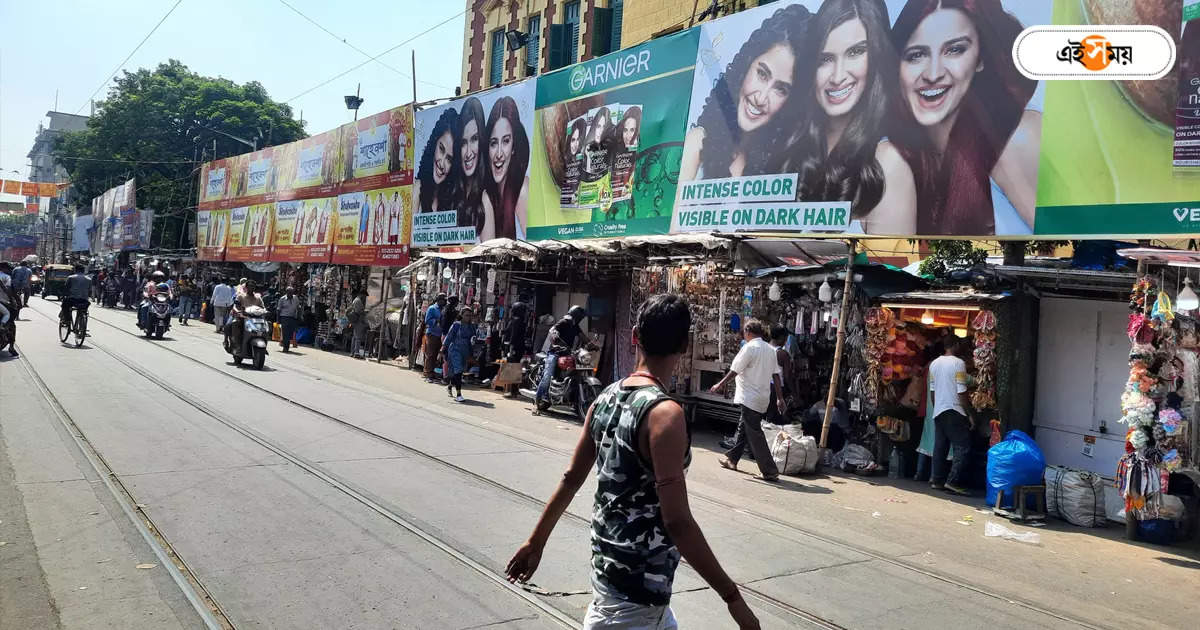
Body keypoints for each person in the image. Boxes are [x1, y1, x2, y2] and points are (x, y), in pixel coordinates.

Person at [506, 295, 760, 630]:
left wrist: (535, 542)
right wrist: (733, 598)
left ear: (634, 335)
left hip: (617, 586)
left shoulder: (604, 399)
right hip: (634, 602)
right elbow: (678, 522)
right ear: (685, 344)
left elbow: (571, 479)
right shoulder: (665, 415)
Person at [890, 0, 1039, 235]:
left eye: (954, 50)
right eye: (916, 55)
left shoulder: (1016, 137)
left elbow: (1080, 244)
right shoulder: (897, 157)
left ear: (981, 58)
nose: (933, 74)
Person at [782, 0, 917, 234]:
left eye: (855, 52)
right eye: (825, 59)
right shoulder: (792, 145)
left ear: (877, 56)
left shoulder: (887, 163)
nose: (837, 76)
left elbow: (888, 265)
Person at [680, 4, 813, 182]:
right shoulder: (698, 144)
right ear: (746, 65)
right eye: (762, 74)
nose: (761, 98)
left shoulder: (783, 165)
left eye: (780, 89)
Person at [710, 319, 785, 482]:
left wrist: (719, 384)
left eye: (744, 332)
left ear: (748, 332)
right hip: (762, 397)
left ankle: (770, 471)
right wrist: (780, 398)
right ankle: (732, 459)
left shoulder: (749, 348)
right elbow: (776, 376)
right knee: (744, 427)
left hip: (749, 396)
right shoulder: (770, 350)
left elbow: (734, 370)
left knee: (755, 433)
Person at [482, 96, 531, 240]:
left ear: (514, 146)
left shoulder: (522, 189)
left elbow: (540, 247)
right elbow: (487, 256)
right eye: (493, 143)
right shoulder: (487, 197)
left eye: (506, 141)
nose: (498, 154)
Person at [928, 335, 972, 495]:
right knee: (963, 447)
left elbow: (932, 391)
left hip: (939, 410)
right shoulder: (958, 363)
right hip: (954, 409)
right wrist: (968, 414)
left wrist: (937, 407)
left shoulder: (934, 364)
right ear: (955, 345)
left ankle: (937, 480)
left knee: (940, 446)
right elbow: (961, 391)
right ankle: (953, 481)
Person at [535, 305, 593, 407]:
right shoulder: (564, 322)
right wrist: (555, 334)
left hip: (568, 353)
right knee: (547, 377)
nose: (581, 319)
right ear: (576, 316)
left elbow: (582, 337)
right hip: (555, 353)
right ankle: (538, 400)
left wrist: (593, 345)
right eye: (580, 317)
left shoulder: (575, 326)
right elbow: (552, 329)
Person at [453, 97, 487, 234]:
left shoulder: (485, 200)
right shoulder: (453, 193)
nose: (468, 153)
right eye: (463, 143)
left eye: (474, 139)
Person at [415, 107, 459, 213]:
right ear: (434, 145)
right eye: (441, 149)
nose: (442, 163)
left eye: (449, 159)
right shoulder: (417, 189)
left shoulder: (454, 199)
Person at [441, 307, 477, 402]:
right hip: (455, 350)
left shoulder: (472, 327)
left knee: (458, 372)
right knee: (458, 370)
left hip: (465, 351)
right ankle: (459, 394)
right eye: (466, 315)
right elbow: (449, 337)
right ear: (461, 315)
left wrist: (472, 353)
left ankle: (450, 386)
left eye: (470, 315)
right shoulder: (456, 325)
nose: (468, 317)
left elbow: (473, 339)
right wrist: (443, 348)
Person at [230, 280, 265, 354]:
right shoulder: (241, 296)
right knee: (235, 323)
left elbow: (263, 307)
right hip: (243, 318)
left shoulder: (258, 298)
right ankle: (237, 345)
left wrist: (265, 311)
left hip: (255, 319)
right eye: (250, 286)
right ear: (246, 287)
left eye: (253, 286)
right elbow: (236, 306)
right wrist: (238, 311)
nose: (251, 288)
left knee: (266, 326)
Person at [423, 293, 447, 382]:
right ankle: (428, 373)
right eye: (442, 300)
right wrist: (437, 321)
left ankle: (433, 373)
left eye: (444, 300)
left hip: (441, 335)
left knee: (437, 354)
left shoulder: (444, 309)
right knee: (431, 354)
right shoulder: (432, 308)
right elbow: (427, 320)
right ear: (438, 300)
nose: (444, 302)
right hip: (432, 334)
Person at [60, 264, 92, 330]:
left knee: (65, 305)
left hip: (72, 299)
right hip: (84, 300)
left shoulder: (71, 277)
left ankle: (67, 320)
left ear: (75, 270)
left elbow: (66, 288)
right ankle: (82, 327)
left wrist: (63, 296)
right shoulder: (89, 279)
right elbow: (90, 291)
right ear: (83, 271)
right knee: (83, 311)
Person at [276, 285, 302, 352]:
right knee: (285, 333)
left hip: (292, 318)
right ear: (286, 292)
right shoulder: (282, 299)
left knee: (290, 333)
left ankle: (286, 345)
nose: (290, 294)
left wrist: (299, 316)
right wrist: (278, 320)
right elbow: (278, 310)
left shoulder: (295, 298)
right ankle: (286, 347)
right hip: (284, 317)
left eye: (292, 292)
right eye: (289, 292)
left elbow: (298, 307)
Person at [0, 262, 18, 356]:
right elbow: (9, 289)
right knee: (12, 324)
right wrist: (12, 300)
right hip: (4, 302)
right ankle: (11, 347)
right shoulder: (6, 277)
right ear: (4, 268)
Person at [348, 289, 369, 359]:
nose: (365, 297)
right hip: (358, 321)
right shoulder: (358, 301)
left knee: (355, 337)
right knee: (358, 338)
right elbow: (358, 311)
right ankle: (356, 352)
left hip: (356, 321)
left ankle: (352, 352)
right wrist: (364, 312)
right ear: (362, 294)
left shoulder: (356, 300)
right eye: (365, 296)